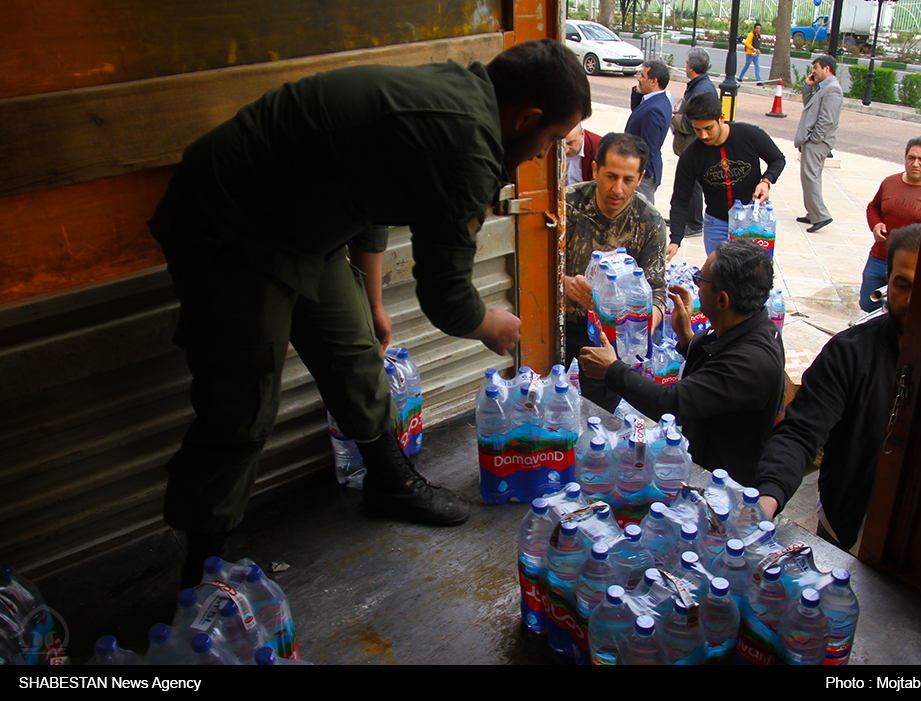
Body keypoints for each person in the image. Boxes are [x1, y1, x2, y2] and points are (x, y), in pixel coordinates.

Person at [146, 39, 592, 587]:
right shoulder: (467, 141)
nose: (542, 154)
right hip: (233, 223)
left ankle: (388, 481)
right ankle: (202, 568)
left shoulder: (466, 103)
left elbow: (369, 192)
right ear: (526, 116)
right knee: (240, 403)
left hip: (311, 220)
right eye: (549, 140)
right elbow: (447, 296)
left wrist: (375, 301)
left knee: (356, 353)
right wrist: (487, 324)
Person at [755, 225, 921, 554]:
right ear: (886, 284)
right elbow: (801, 430)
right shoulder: (852, 352)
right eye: (903, 285)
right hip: (845, 524)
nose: (914, 300)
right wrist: (767, 498)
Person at [579, 239, 785, 486]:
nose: (696, 285)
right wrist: (686, 337)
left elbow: (671, 402)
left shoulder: (753, 362)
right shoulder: (749, 327)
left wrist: (612, 370)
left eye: (701, 280)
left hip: (723, 485)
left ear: (723, 300)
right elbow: (714, 374)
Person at [564, 133, 667, 412]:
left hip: (610, 332)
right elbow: (534, 266)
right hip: (558, 322)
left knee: (601, 409)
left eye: (628, 180)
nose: (618, 189)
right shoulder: (567, 205)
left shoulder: (650, 221)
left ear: (641, 176)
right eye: (610, 176)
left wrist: (641, 325)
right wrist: (563, 283)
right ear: (595, 169)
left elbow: (657, 289)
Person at [667, 92, 785, 260]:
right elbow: (680, 198)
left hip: (751, 221)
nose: (703, 136)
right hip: (717, 223)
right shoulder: (691, 155)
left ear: (721, 118)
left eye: (708, 128)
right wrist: (675, 239)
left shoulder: (750, 135)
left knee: (752, 273)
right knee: (720, 275)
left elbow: (778, 159)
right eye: (697, 129)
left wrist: (766, 180)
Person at [860, 136, 921, 312]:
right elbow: (874, 207)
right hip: (880, 256)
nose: (916, 163)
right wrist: (876, 224)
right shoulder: (890, 182)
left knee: (901, 308)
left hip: (911, 263)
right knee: (868, 303)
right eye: (911, 157)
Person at [671, 47, 718, 238]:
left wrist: (672, 117)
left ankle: (695, 223)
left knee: (695, 184)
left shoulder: (701, 89)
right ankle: (687, 218)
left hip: (694, 143)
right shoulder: (699, 85)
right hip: (688, 144)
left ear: (690, 67)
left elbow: (691, 124)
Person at [794, 54, 843, 233]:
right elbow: (810, 106)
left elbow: (827, 119)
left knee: (810, 176)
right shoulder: (824, 87)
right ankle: (812, 212)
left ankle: (821, 215)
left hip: (818, 141)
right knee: (809, 176)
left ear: (826, 68)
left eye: (816, 67)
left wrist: (814, 138)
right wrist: (808, 87)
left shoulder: (833, 89)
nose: (813, 71)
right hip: (814, 140)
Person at [625, 60, 674, 205]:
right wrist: (638, 91)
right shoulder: (659, 99)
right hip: (643, 171)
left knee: (642, 213)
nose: (638, 79)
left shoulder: (654, 110)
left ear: (654, 81)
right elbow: (637, 112)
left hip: (644, 175)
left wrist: (638, 174)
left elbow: (647, 147)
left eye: (642, 76)